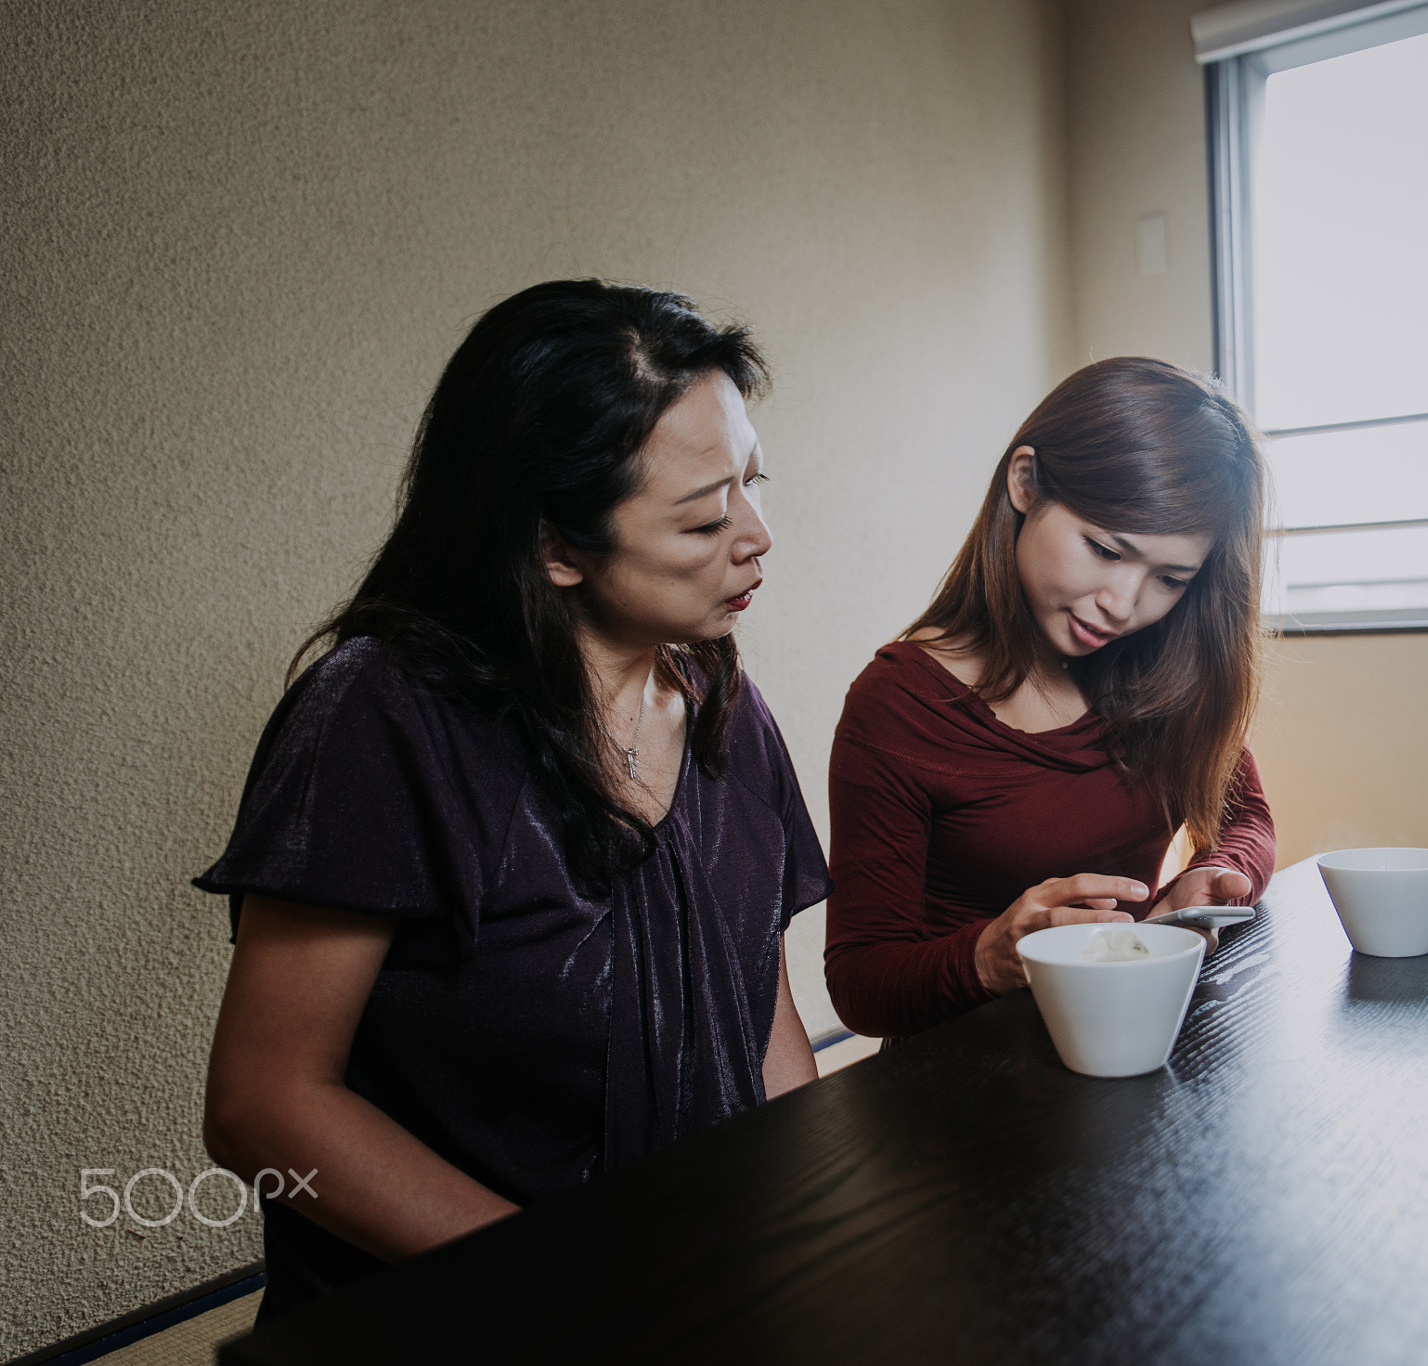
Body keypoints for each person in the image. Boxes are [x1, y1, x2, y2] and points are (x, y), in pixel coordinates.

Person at [197, 280, 828, 1321]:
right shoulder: (381, 714)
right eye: (706, 512)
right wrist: (563, 1279)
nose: (756, 534)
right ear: (554, 546)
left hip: (707, 1293)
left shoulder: (718, 697)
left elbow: (758, 1022)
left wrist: (818, 1231)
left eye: (754, 482)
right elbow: (265, 1107)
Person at [823, 357, 1276, 1039]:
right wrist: (989, 957)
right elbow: (860, 986)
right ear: (1026, 482)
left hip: (1126, 1042)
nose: (1122, 604)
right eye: (1103, 548)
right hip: (957, 1092)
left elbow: (1248, 818)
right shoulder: (900, 704)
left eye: (1171, 578)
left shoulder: (1160, 665)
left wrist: (1211, 875)